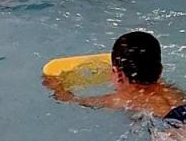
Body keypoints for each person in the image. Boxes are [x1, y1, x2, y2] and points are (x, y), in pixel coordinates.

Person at [45, 31, 186, 120]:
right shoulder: (172, 92)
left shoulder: (123, 99)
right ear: (160, 71)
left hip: (174, 130)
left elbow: (71, 100)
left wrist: (56, 87)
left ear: (118, 74)